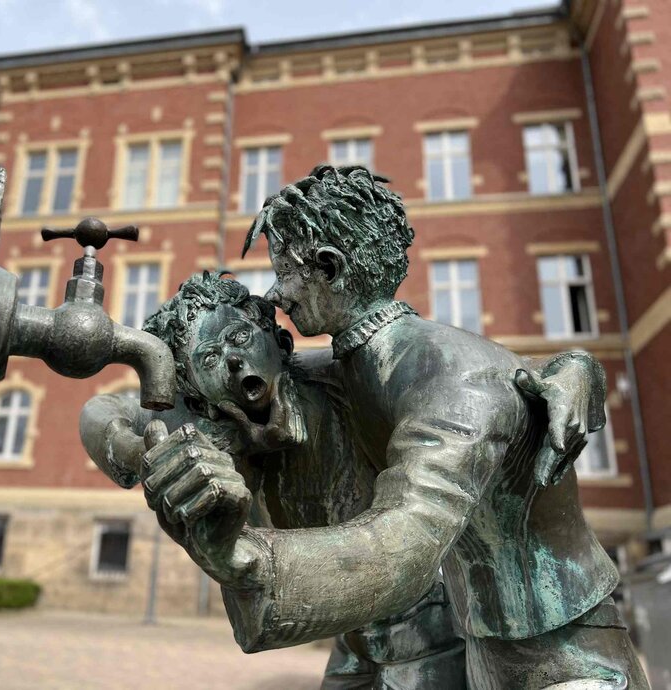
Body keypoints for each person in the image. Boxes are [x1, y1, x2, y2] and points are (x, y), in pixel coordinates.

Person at [133, 165, 647, 689]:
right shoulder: (357, 365)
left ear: (329, 269)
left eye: (285, 272)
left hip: (572, 662)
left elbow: (407, 541)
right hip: (488, 654)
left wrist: (245, 556)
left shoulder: (449, 379)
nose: (276, 296)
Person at [81, 267, 612, 688]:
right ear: (191, 385)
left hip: (429, 632)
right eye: (210, 357)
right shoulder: (206, 423)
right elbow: (99, 412)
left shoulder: (346, 378)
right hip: (352, 639)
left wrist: (571, 365)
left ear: (277, 339)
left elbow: (465, 376)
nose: (235, 361)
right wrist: (139, 452)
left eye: (243, 336)